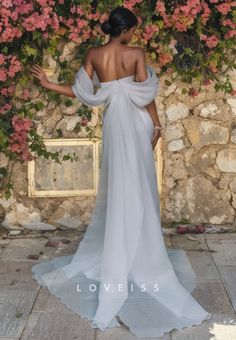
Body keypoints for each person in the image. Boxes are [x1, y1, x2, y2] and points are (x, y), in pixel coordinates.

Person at [31, 6, 212, 338]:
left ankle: (124, 246)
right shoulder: (135, 53)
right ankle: (141, 252)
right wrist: (156, 125)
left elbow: (83, 93)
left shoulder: (95, 54)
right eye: (133, 29)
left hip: (114, 123)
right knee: (139, 185)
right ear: (126, 29)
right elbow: (146, 95)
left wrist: (47, 83)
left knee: (121, 186)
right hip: (135, 123)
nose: (134, 34)